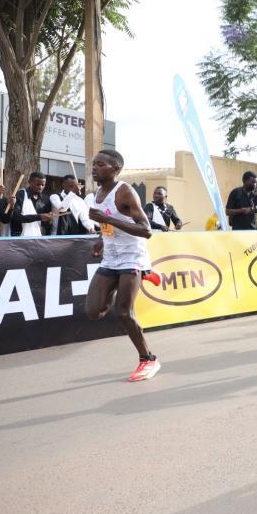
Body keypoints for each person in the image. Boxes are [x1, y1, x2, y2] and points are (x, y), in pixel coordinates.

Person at [84, 150, 161, 382]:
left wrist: (107, 219)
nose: (94, 168)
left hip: (131, 256)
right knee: (94, 311)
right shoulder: (97, 193)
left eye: (100, 164)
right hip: (111, 257)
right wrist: (101, 238)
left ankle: (148, 359)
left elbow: (146, 230)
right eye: (94, 164)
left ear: (116, 169)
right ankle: (142, 275)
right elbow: (109, 226)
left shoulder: (125, 191)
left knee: (124, 312)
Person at [10, 171, 53, 237]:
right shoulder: (21, 195)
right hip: (20, 236)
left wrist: (49, 217)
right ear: (30, 182)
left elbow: (45, 224)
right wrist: (39, 217)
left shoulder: (45, 199)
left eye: (43, 185)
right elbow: (16, 217)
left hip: (39, 236)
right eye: (37, 184)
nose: (40, 187)